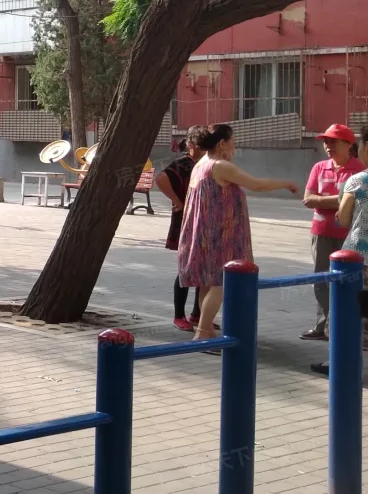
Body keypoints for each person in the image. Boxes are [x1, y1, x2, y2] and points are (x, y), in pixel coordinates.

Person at [178, 124, 299, 344]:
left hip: (203, 232)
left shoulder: (201, 164)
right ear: (222, 143)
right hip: (220, 233)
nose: (235, 145)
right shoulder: (220, 166)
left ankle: (205, 329)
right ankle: (203, 332)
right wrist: (286, 183)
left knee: (208, 283)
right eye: (232, 140)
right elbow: (256, 185)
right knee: (221, 283)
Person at [299, 123, 364, 340]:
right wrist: (342, 199)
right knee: (321, 280)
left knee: (349, 281)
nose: (328, 146)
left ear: (349, 144)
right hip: (321, 232)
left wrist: (321, 200)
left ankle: (345, 326)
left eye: (333, 141)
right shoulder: (319, 167)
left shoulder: (359, 170)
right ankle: (323, 326)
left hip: (349, 235)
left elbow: (356, 201)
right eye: (326, 142)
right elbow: (308, 199)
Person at [311, 125, 368, 376]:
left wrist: (339, 210)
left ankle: (339, 364)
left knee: (346, 311)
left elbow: (343, 219)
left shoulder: (357, 180)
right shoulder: (321, 167)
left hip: (357, 258)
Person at [155, 126, 208, 331]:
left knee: (203, 268)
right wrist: (177, 201)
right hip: (186, 221)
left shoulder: (205, 164)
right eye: (201, 146)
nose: (204, 150)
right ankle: (179, 315)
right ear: (191, 145)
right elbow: (161, 178)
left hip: (204, 222)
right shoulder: (183, 164)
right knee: (187, 268)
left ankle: (197, 314)